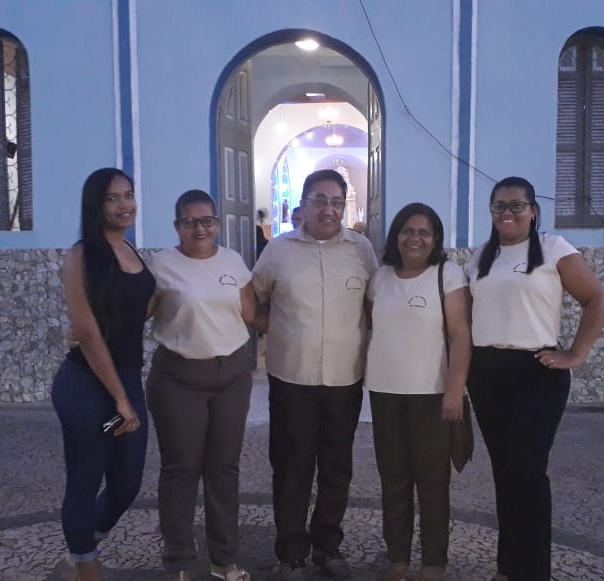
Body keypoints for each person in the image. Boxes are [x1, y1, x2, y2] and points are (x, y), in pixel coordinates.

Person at [465, 176, 604, 581]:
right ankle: (508, 568)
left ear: (533, 210)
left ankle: (532, 572)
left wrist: (576, 353)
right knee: (504, 472)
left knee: (527, 473)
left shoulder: (553, 248)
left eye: (516, 205)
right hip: (486, 372)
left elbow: (596, 299)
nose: (507, 213)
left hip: (535, 373)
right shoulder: (481, 256)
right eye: (499, 206)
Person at [251, 169, 378, 581]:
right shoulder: (278, 251)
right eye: (319, 200)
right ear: (303, 205)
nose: (328, 209)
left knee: (337, 467)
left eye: (337, 202)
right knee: (292, 467)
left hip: (345, 378)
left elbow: (373, 307)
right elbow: (253, 299)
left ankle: (328, 546)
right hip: (292, 379)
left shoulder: (361, 250)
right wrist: (278, 330)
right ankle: (291, 554)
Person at [144, 190, 259, 581]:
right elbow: (136, 312)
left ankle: (224, 560)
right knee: (181, 469)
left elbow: (251, 312)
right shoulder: (161, 265)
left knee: (224, 468)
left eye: (207, 221)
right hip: (178, 379)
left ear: (217, 224)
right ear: (177, 226)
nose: (199, 229)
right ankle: (179, 561)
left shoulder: (232, 261)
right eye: (189, 222)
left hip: (231, 376)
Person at [52, 168, 153, 581]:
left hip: (126, 379)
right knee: (85, 478)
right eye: (113, 198)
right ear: (96, 205)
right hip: (88, 387)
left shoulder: (130, 250)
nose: (125, 204)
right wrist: (121, 401)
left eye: (128, 195)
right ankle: (85, 567)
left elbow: (138, 308)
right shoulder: (81, 256)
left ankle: (79, 549)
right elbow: (89, 334)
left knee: (126, 483)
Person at [364, 203, 471, 581]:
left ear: (435, 238)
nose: (415, 238)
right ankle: (397, 561)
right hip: (385, 392)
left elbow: (461, 335)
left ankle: (432, 564)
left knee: (432, 483)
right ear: (396, 235)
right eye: (408, 230)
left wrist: (454, 390)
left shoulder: (448, 274)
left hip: (432, 394)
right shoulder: (380, 278)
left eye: (424, 232)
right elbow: (372, 325)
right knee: (393, 481)